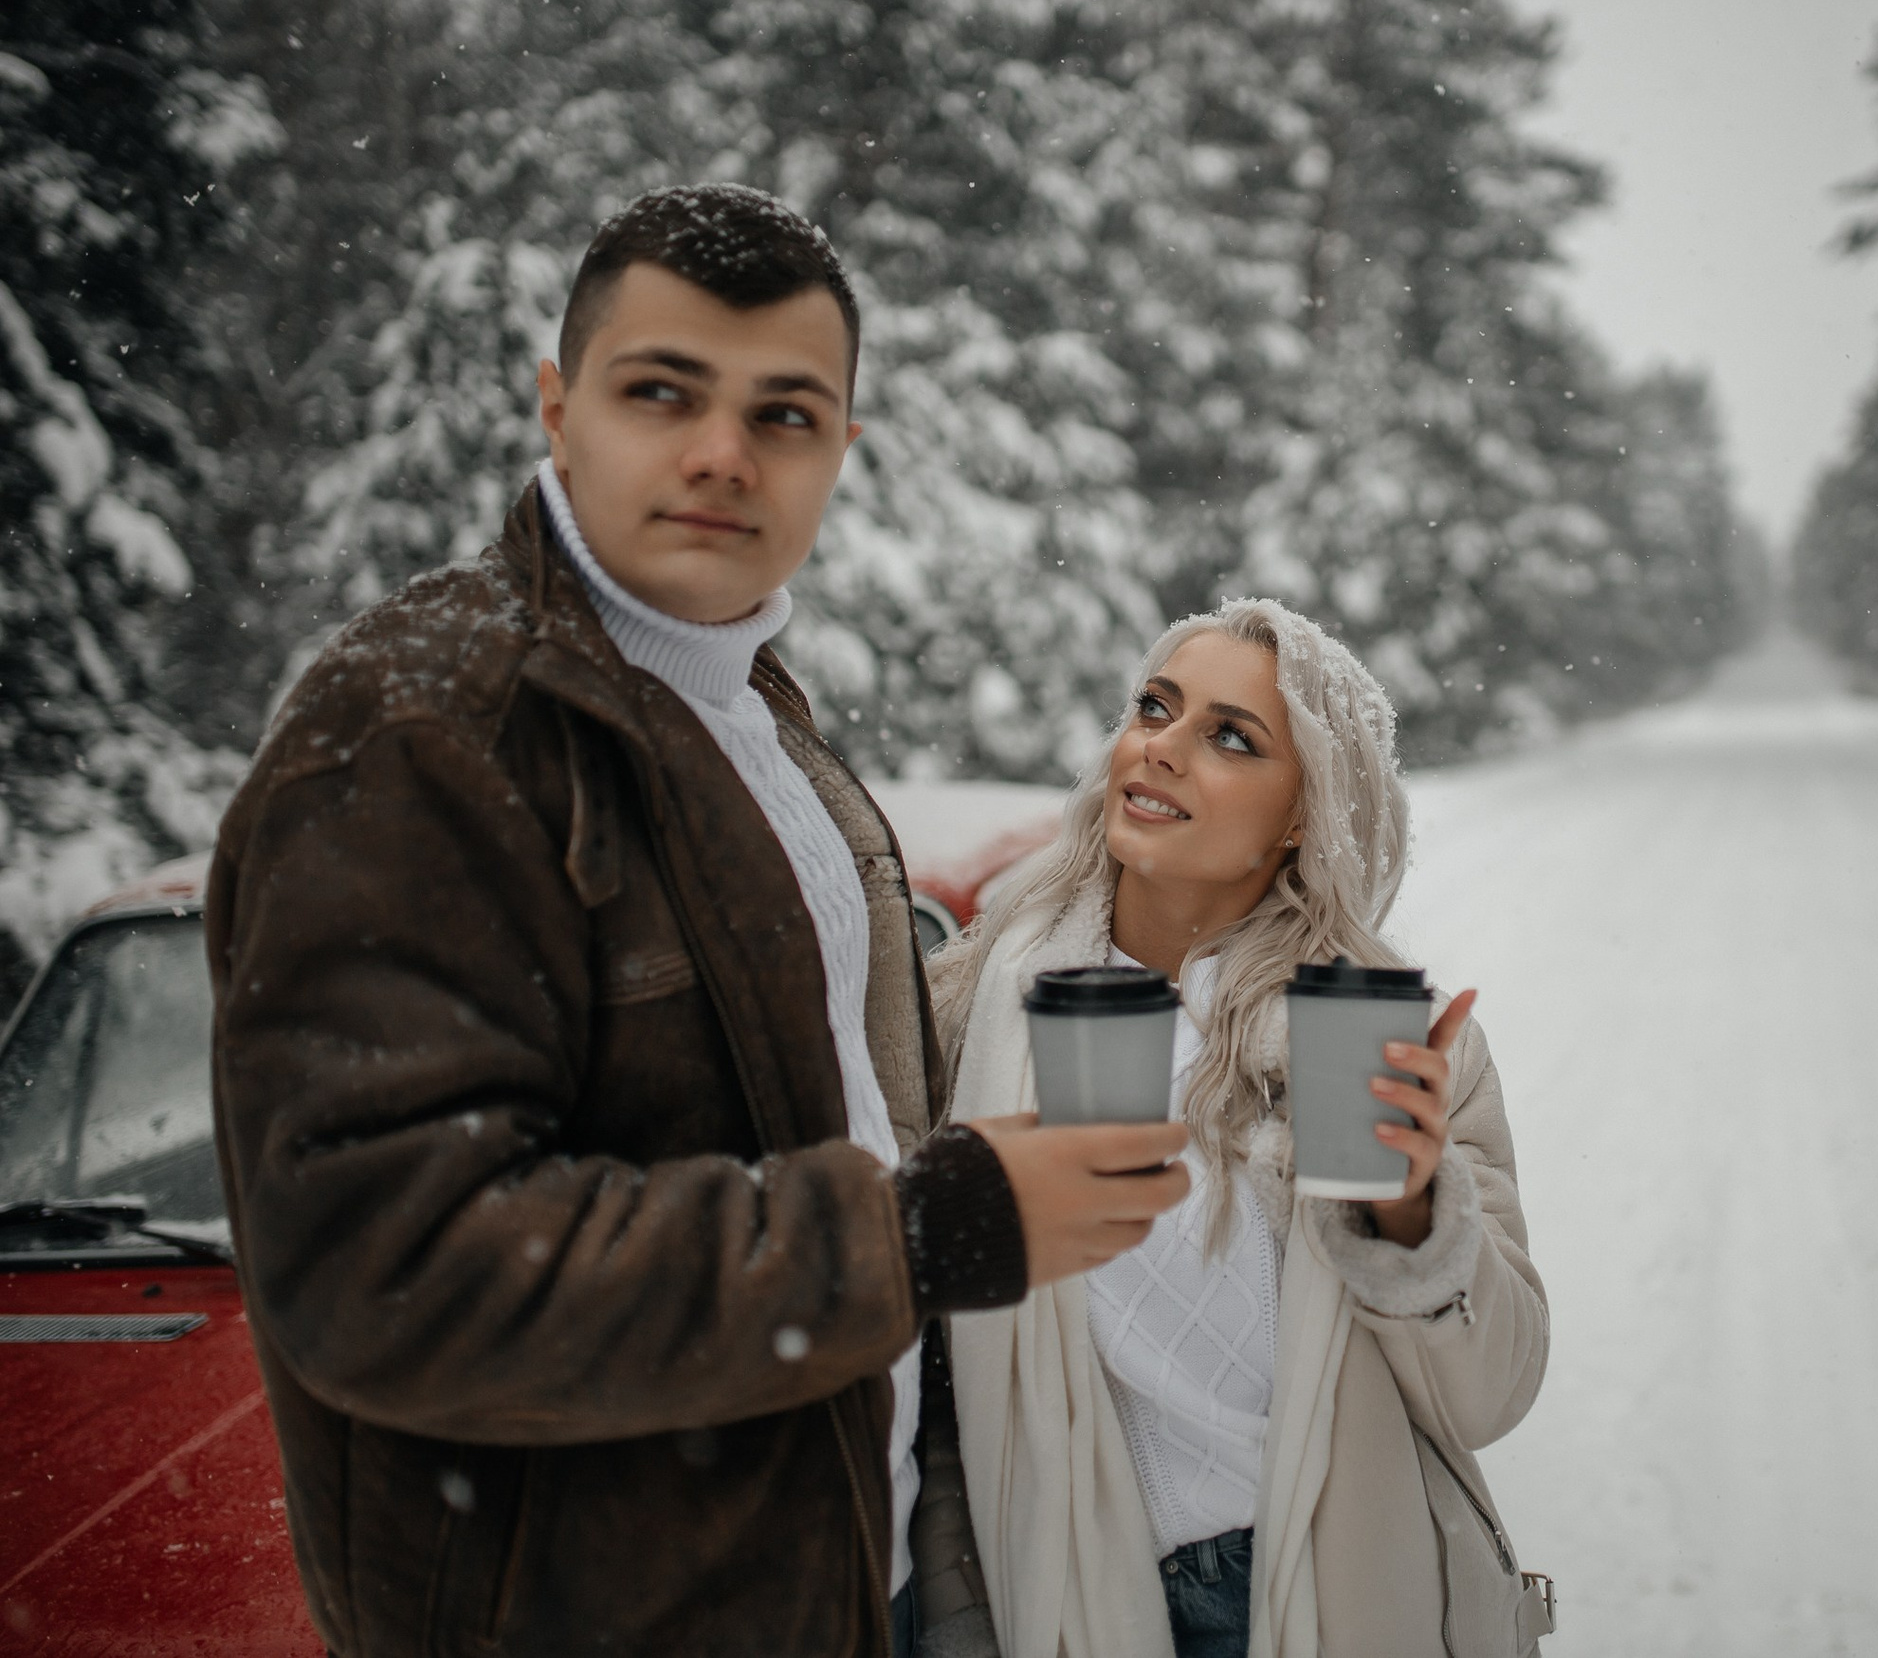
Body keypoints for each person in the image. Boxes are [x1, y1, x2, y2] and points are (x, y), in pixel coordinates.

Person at [207, 183, 1190, 1658]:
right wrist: (917, 1231)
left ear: (842, 451)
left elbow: (800, 1094)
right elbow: (387, 1267)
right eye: (663, 390)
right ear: (557, 407)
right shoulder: (425, 729)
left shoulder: (740, 705)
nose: (724, 454)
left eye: (786, 413)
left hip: (825, 1573)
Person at [930, 600, 1552, 1658]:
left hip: (1325, 1585)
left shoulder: (1373, 1038)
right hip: (1072, 1587)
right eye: (1154, 709)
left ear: (1304, 812)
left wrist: (1410, 1213)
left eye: (1231, 737)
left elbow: (1487, 1393)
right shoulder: (973, 1009)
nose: (1160, 747)